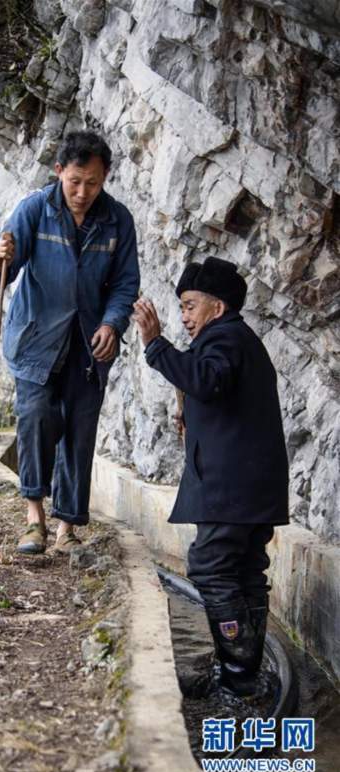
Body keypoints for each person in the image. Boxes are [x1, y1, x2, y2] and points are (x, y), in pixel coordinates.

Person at [0, 130, 140, 555]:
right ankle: (34, 519)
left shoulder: (117, 220)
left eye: (93, 183)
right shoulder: (35, 209)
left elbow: (125, 284)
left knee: (79, 433)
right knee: (35, 417)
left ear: (104, 178)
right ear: (59, 173)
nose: (83, 192)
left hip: (89, 347)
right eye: (74, 182)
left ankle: (67, 528)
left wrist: (112, 324)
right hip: (36, 341)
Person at [133, 257, 289, 698]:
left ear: (217, 308)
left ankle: (239, 678)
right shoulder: (237, 339)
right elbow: (215, 390)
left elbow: (208, 379)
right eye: (181, 308)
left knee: (210, 566)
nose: (183, 317)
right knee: (244, 572)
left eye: (190, 306)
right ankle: (242, 674)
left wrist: (156, 344)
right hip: (251, 487)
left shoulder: (225, 338)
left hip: (233, 489)